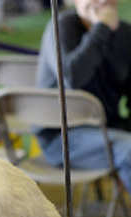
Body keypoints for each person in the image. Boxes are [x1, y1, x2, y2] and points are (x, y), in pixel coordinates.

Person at [36, 0, 131, 194]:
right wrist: (102, 28)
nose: (102, 1)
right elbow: (72, 78)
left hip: (108, 130)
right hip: (62, 139)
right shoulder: (61, 26)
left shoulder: (125, 34)